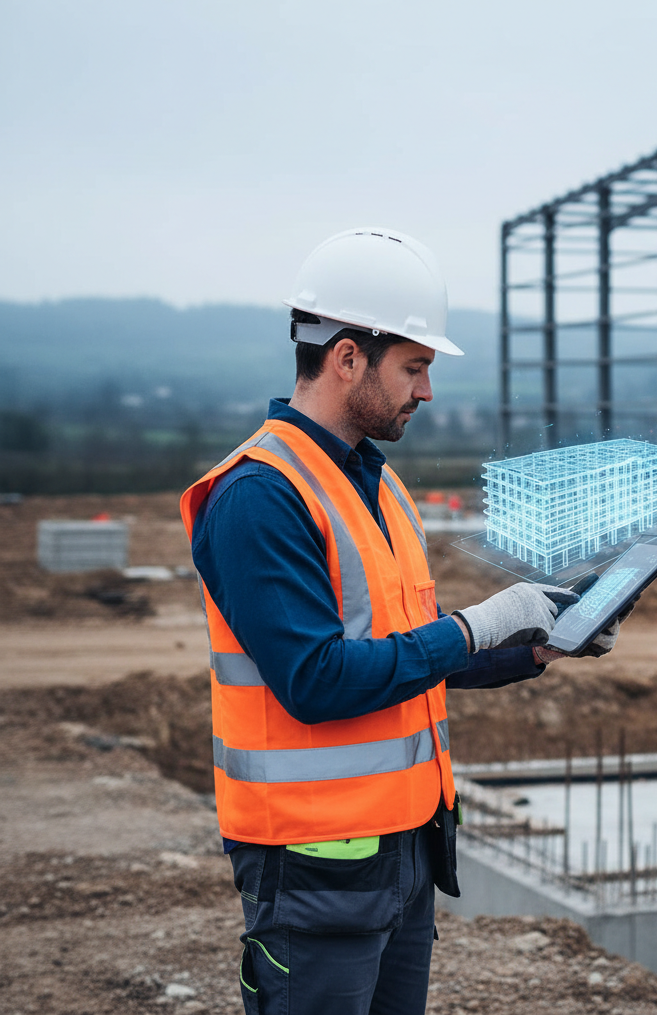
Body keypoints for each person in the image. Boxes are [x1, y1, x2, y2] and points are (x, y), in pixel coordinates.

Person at [179, 228, 625, 1015]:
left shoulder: (375, 487)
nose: (426, 392)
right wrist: (483, 623)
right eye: (414, 367)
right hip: (314, 869)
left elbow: (408, 656)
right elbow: (316, 681)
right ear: (348, 357)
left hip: (403, 852)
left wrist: (537, 643)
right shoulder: (260, 494)